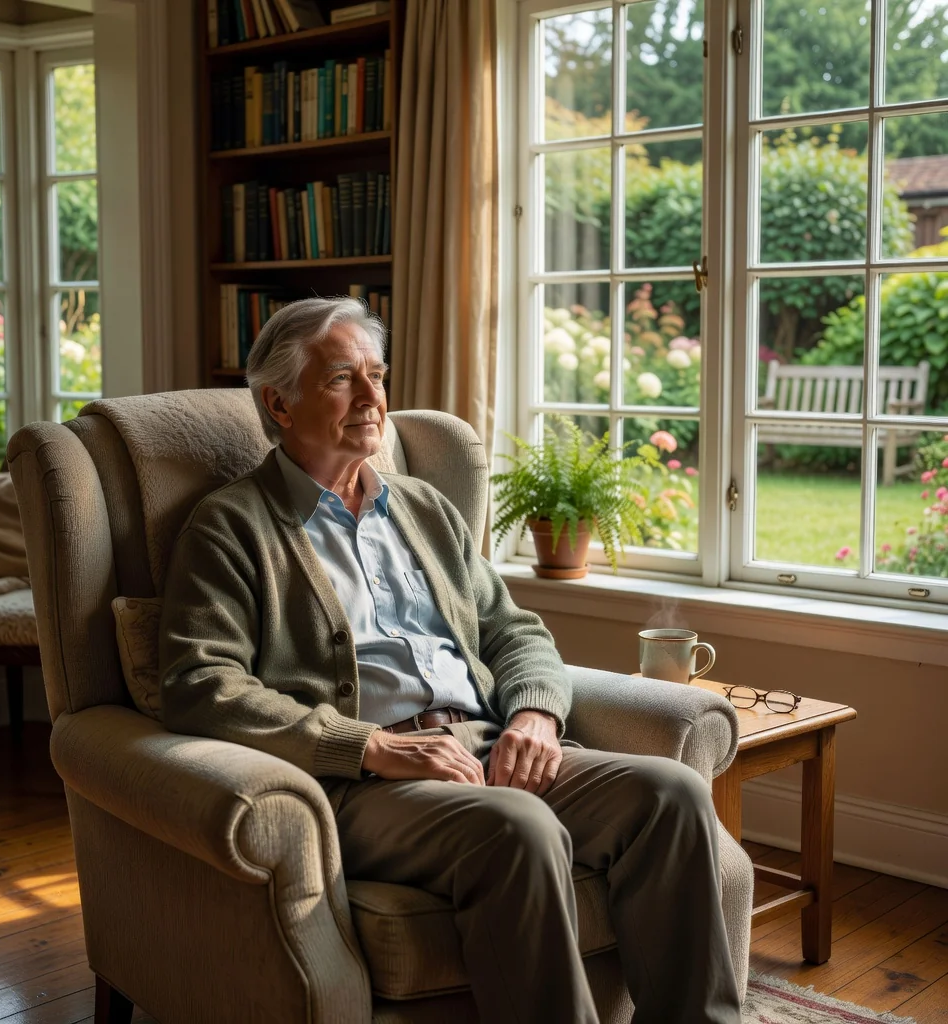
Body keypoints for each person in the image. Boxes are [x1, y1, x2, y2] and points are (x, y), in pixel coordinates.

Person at [159, 296, 741, 1024]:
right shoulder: (230, 527)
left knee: (672, 794)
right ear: (279, 403)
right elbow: (199, 684)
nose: (372, 398)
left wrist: (534, 715)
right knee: (519, 828)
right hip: (368, 782)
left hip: (488, 744)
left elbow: (515, 631)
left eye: (377, 375)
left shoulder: (423, 508)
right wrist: (368, 746)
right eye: (342, 378)